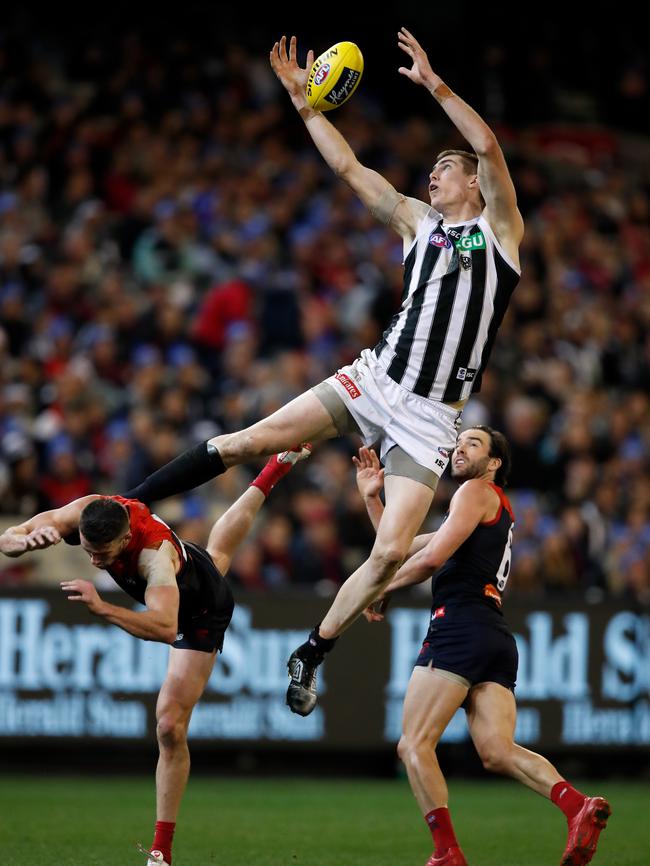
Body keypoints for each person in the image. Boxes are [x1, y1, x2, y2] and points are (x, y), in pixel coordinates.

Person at [121, 27, 524, 715]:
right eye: (433, 168)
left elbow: (487, 146)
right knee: (251, 438)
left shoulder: (501, 233)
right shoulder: (417, 224)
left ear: (472, 184)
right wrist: (307, 108)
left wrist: (433, 85)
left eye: (444, 168)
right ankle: (131, 507)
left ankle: (312, 650)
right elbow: (350, 171)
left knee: (392, 550)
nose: (433, 174)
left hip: (431, 418)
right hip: (375, 381)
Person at [0, 445, 310, 866]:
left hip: (200, 609)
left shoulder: (153, 556)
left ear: (125, 538)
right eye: (88, 550)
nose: (94, 560)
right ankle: (272, 471)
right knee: (216, 556)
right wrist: (21, 543)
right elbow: (10, 536)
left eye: (103, 555)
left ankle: (160, 851)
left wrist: (103, 607)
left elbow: (167, 628)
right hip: (191, 565)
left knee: (168, 724)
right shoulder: (90, 510)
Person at [353, 430, 611, 866]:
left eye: (473, 444)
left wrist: (377, 590)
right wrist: (373, 500)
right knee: (496, 750)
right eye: (460, 442)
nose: (460, 447)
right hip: (493, 634)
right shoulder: (477, 509)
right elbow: (396, 550)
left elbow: (429, 561)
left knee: (413, 745)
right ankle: (576, 806)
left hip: (459, 626)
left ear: (493, 464)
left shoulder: (475, 491)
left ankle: (446, 852)